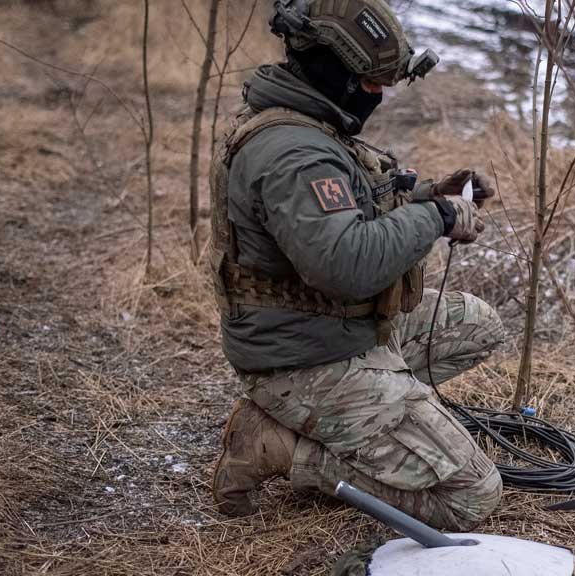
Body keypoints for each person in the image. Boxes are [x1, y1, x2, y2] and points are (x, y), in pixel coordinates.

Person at [207, 0, 505, 531]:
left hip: (341, 330)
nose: (378, 94)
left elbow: (355, 211)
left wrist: (434, 193)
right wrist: (435, 217)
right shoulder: (294, 154)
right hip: (301, 360)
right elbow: (346, 265)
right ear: (331, 67)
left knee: (478, 325)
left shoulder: (313, 124)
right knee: (471, 495)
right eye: (369, 81)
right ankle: (280, 446)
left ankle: (367, 421)